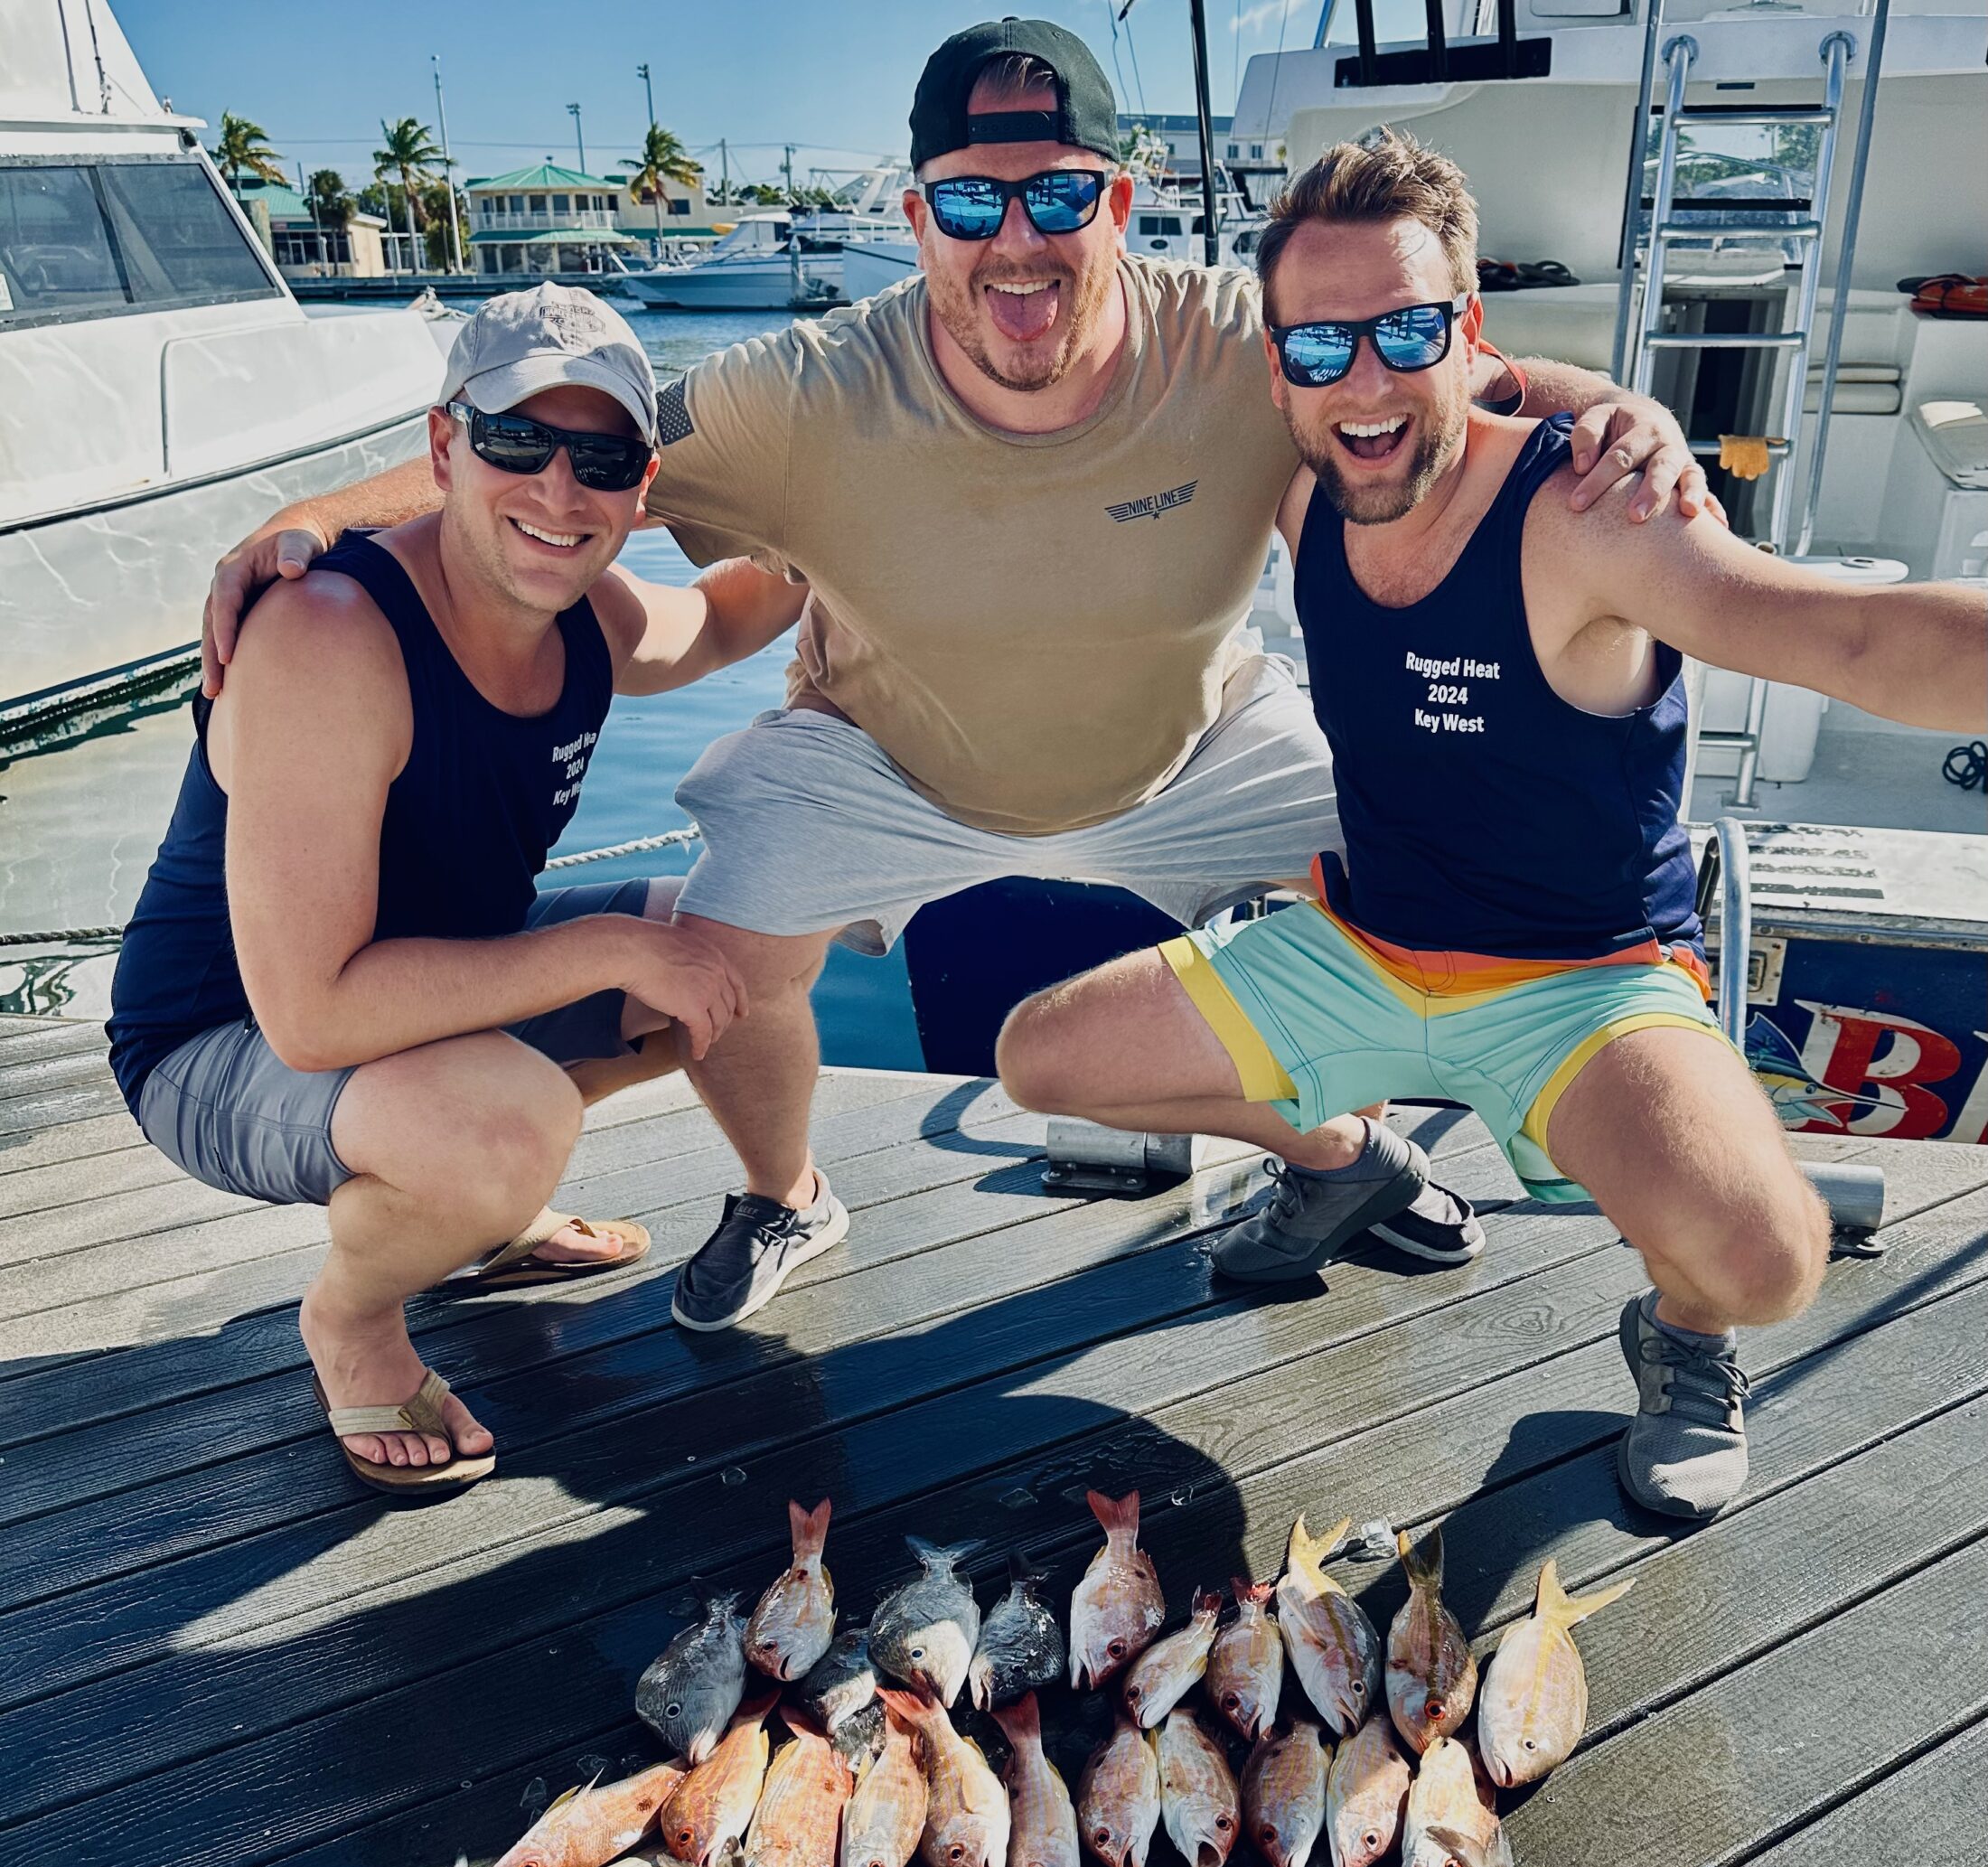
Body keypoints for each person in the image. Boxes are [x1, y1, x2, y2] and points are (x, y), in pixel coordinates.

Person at [202, 20, 1717, 1335]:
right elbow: (551, 453)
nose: (1017, 240)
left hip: (1192, 746)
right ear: (917, 215)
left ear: (1118, 203)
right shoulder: (803, 393)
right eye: (970, 200)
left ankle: (1355, 1157)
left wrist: (1630, 413)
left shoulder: (1242, 345)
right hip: (885, 756)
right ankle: (786, 1195)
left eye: (1060, 194)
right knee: (722, 938)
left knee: (1437, 864)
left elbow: (1467, 377)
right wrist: (304, 525)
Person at [993, 132, 1988, 1518]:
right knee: (1040, 1058)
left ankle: (1681, 1335)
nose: (1366, 380)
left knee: (1767, 1258)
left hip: (1585, 984)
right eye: (1321, 345)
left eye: (1409, 330)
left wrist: (1616, 406)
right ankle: (1347, 1164)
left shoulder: (1587, 512)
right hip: (1364, 947)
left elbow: (1858, 640)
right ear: (1274, 365)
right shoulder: (1300, 484)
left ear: (1468, 332)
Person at [108, 286, 803, 1491]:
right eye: (516, 442)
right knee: (508, 1125)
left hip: (429, 1002)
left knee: (750, 943)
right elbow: (312, 1015)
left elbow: (720, 621)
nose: (556, 490)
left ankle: (486, 1222)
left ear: (640, 488)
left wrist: (858, 535)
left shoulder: (593, 612)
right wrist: (607, 949)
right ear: (444, 447)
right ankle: (356, 1319)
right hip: (218, 1044)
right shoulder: (329, 637)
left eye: (599, 458)